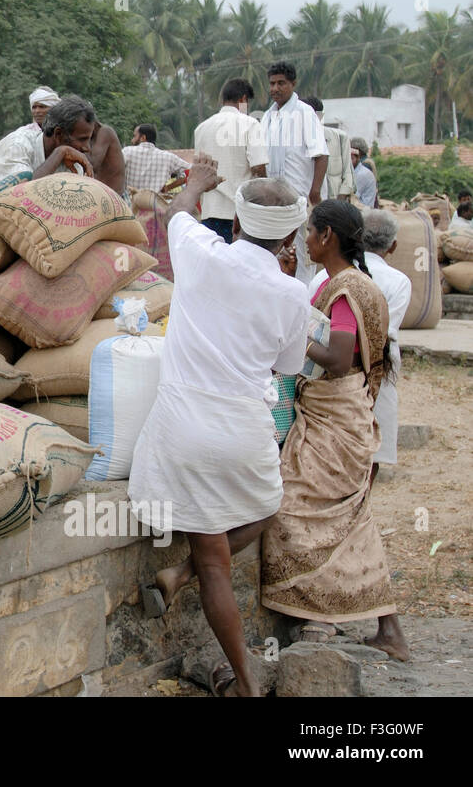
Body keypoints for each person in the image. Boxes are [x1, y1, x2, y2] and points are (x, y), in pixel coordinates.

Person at [131, 166, 312, 698]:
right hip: (245, 430)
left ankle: (246, 684)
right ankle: (187, 582)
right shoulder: (293, 293)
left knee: (213, 563)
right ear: (290, 237)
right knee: (267, 506)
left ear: (235, 220)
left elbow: (176, 210)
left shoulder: (200, 251)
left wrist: (199, 180)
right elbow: (286, 366)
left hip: (184, 425)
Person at [262, 200, 409, 662]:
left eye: (309, 232)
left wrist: (292, 339)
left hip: (334, 417)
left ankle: (319, 615)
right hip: (344, 414)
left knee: (295, 506)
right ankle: (388, 629)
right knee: (350, 519)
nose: (304, 240)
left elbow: (339, 356)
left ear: (327, 236)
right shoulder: (345, 284)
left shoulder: (345, 288)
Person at [310, 209, 411, 483]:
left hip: (333, 385)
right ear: (392, 246)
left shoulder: (335, 282)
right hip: (367, 378)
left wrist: (299, 343)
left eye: (309, 231)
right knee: (366, 455)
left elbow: (331, 350)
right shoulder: (394, 281)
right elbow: (385, 333)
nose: (306, 239)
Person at [261, 61, 328, 286]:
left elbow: (321, 154)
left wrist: (315, 193)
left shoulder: (304, 112)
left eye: (281, 83)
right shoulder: (268, 117)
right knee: (279, 253)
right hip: (276, 200)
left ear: (293, 84)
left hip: (301, 197)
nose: (275, 88)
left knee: (304, 252)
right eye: (272, 84)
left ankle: (305, 304)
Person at [194, 78, 268, 243]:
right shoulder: (250, 124)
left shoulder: (202, 128)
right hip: (239, 215)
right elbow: (259, 169)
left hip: (209, 211)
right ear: (243, 99)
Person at [0, 95, 97, 184]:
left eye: (88, 140)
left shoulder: (72, 162)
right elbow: (22, 194)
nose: (87, 147)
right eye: (82, 139)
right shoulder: (17, 145)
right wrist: (60, 152)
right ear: (58, 134)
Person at [0, 86, 61, 183]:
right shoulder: (19, 142)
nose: (37, 111)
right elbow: (22, 185)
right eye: (34, 107)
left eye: (42, 106)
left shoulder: (56, 139)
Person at [302, 97, 354, 201]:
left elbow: (348, 174)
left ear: (320, 116)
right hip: (306, 202)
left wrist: (339, 201)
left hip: (334, 202)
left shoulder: (339, 137)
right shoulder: (295, 142)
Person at [122, 123, 191, 193]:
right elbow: (192, 171)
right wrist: (168, 187)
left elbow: (113, 169)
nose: (132, 140)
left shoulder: (127, 152)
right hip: (155, 202)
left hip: (130, 202)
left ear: (143, 137)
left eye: (134, 136)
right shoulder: (168, 157)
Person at [351, 140, 378, 209]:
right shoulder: (358, 168)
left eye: (352, 158)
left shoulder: (363, 169)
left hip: (364, 209)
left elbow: (353, 196)